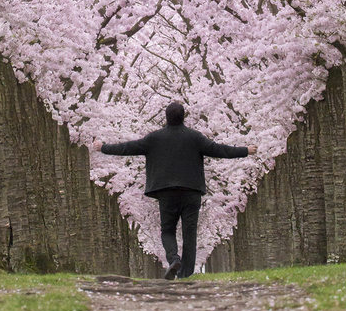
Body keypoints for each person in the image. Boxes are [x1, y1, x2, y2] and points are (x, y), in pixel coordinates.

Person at [93, 101, 258, 280]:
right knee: (189, 234)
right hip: (191, 191)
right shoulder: (195, 137)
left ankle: (173, 259)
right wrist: (245, 150)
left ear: (166, 117)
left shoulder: (154, 138)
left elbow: (128, 148)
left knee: (168, 230)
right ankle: (186, 275)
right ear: (183, 116)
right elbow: (218, 149)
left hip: (166, 192)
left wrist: (103, 147)